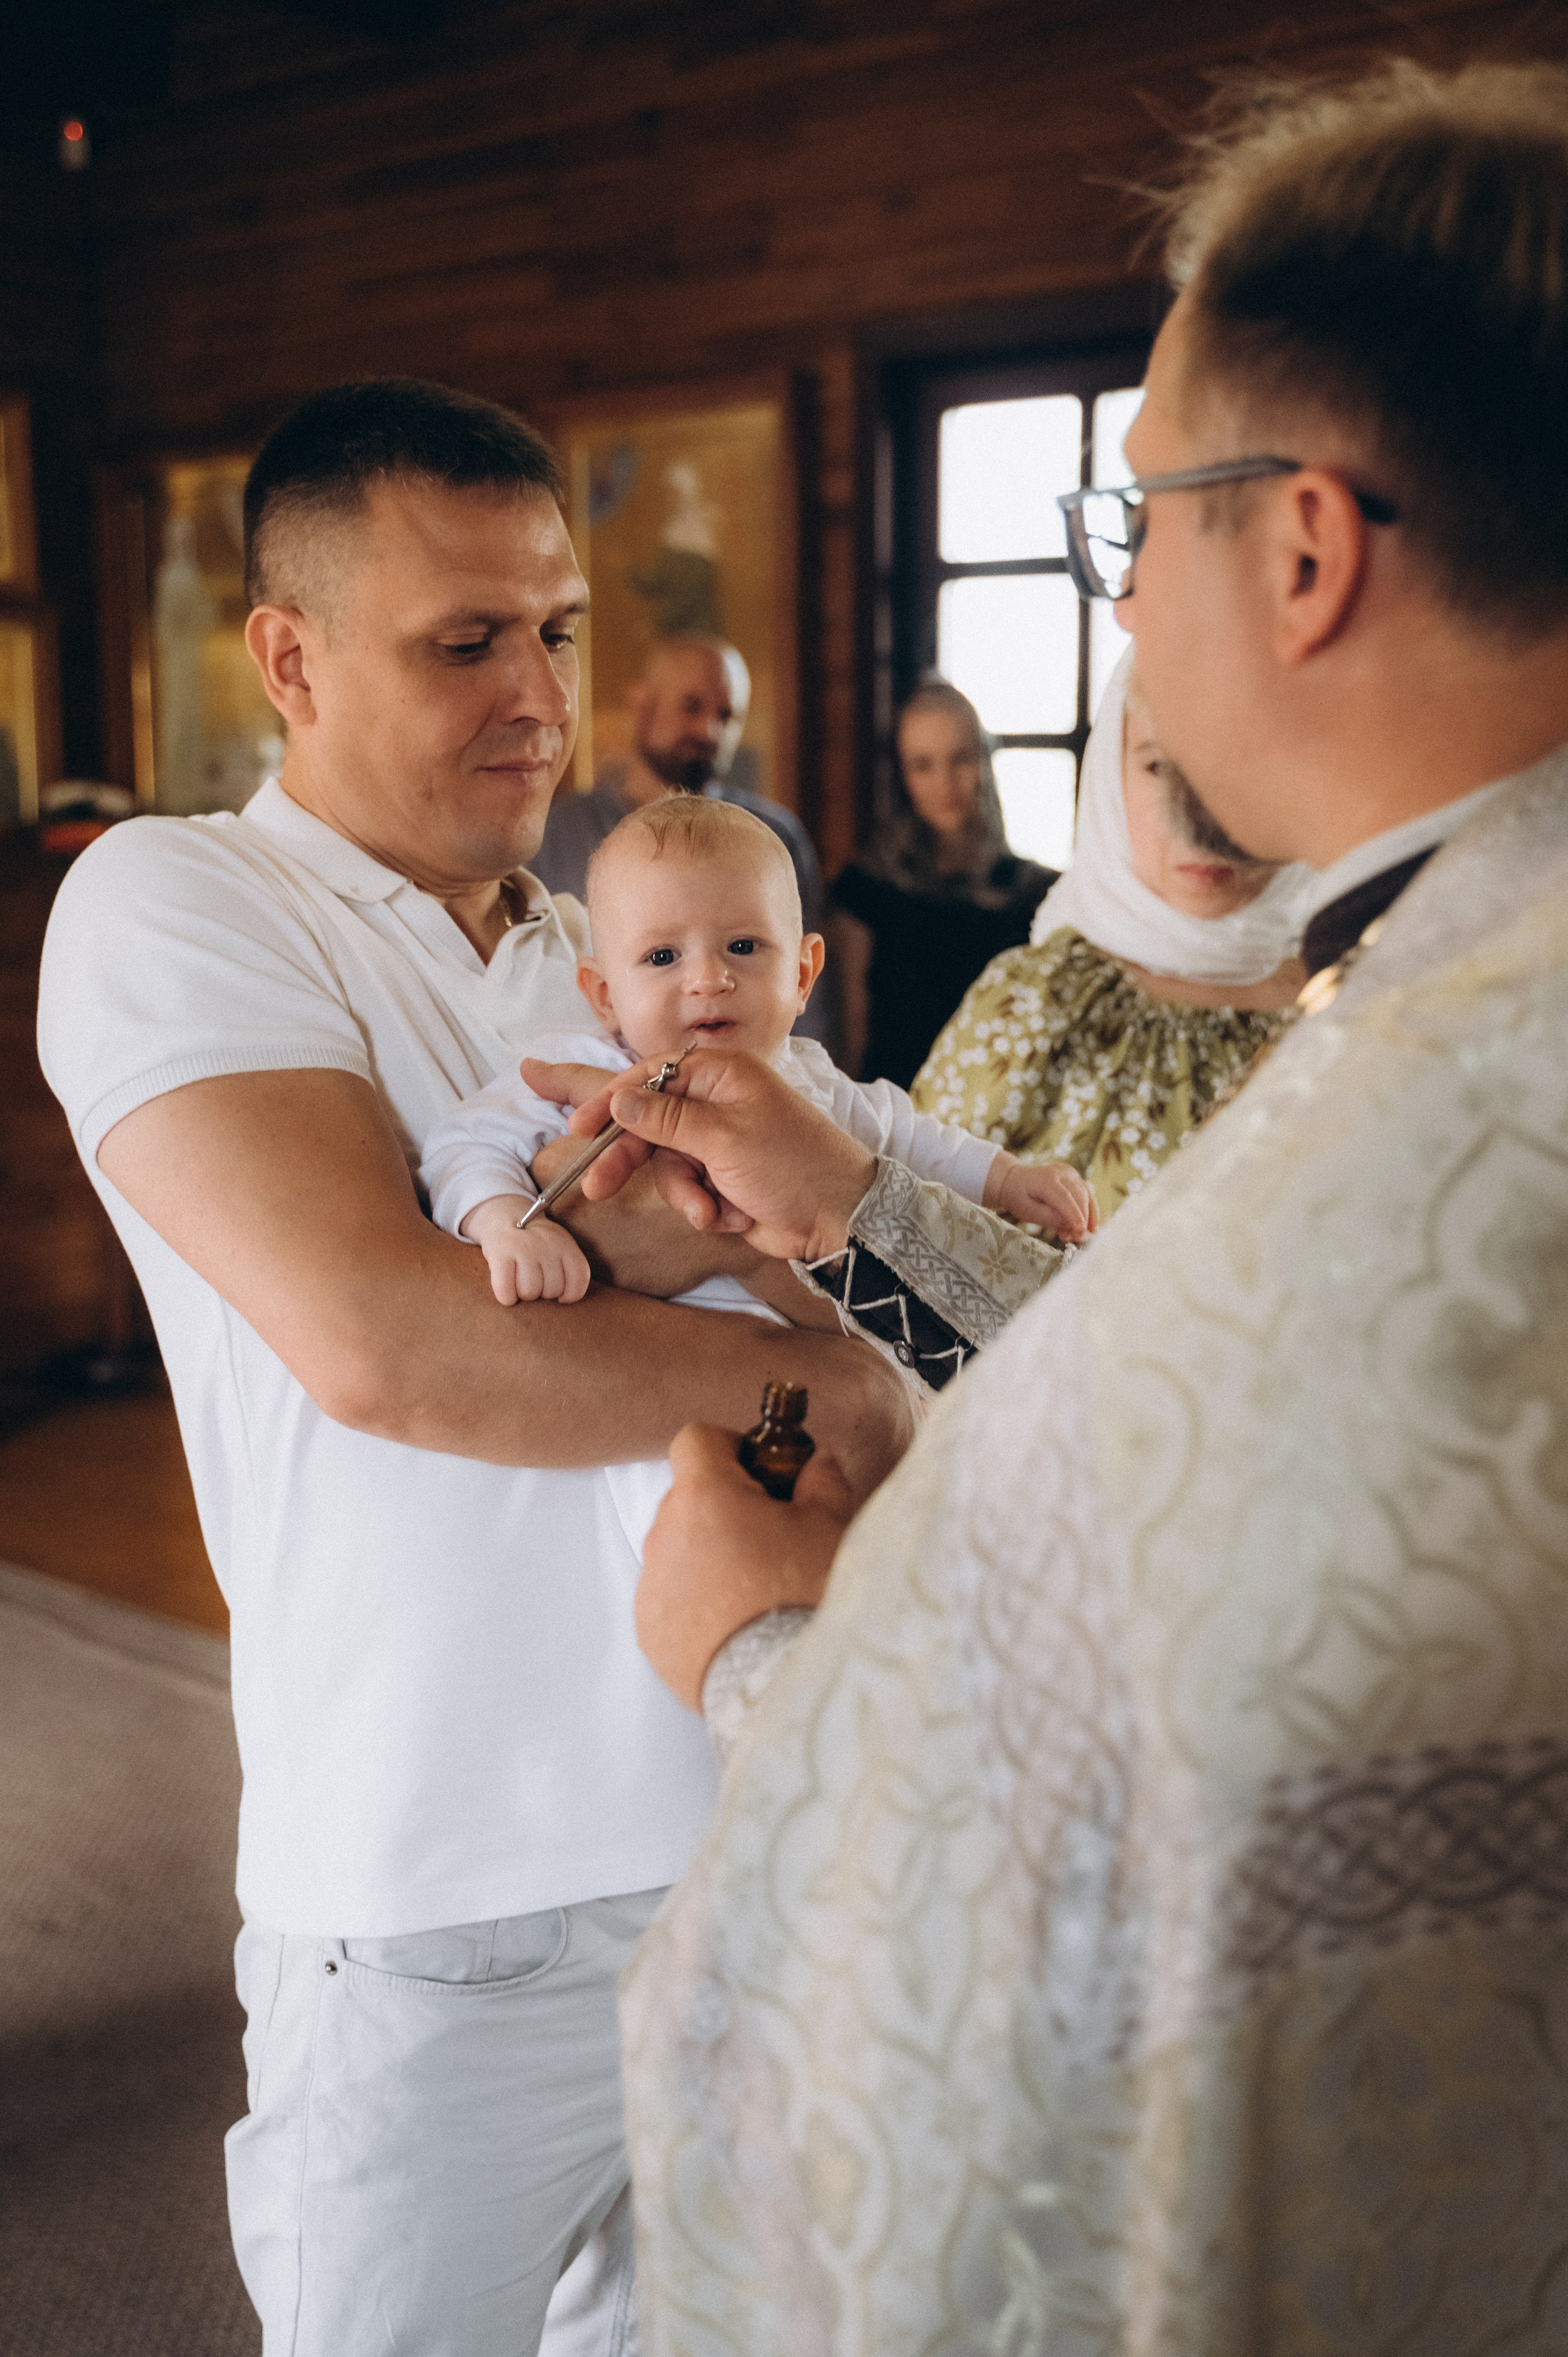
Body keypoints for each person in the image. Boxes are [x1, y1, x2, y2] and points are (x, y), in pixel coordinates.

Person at [538, 59, 1568, 2353]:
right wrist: (860, 1190)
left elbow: (1045, 1929)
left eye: (1135, 530)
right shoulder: (1458, 1006)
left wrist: (767, 1643)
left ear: (1296, 548)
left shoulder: (1414, 1142)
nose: (1123, 624)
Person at [34, 377, 914, 2357]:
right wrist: (839, 1397)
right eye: (464, 642)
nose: (540, 693)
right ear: (289, 654)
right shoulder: (180, 902)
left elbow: (845, 1213)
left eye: (559, 631)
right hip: (440, 1877)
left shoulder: (607, 952)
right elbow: (388, 1345)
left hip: (753, 1824)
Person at [420, 796, 1093, 1541]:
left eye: (743, 947)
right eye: (662, 957)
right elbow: (462, 1144)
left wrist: (1003, 1178)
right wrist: (501, 1225)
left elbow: (913, 1136)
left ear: (804, 971)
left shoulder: (813, 1083)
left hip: (835, 1386)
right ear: (604, 994)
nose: (707, 979)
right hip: (671, 1391)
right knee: (698, 1535)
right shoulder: (584, 1073)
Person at [912, 648, 1310, 1218]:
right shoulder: (1038, 998)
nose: (1201, 818)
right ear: (1110, 774)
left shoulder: (1355, 999)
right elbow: (915, 1230)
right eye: (1160, 767)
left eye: (1251, 764)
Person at [530, 635, 837, 1048]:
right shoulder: (556, 834)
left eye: (727, 715)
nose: (708, 729)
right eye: (691, 706)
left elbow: (812, 1011)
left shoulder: (775, 835)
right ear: (641, 704)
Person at [830, 679, 1055, 1087]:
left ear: (984, 760)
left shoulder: (1033, 894)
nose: (945, 782)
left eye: (961, 758)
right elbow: (851, 1039)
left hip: (998, 1108)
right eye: (923, 765)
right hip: (895, 1109)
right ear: (902, 775)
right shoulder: (867, 889)